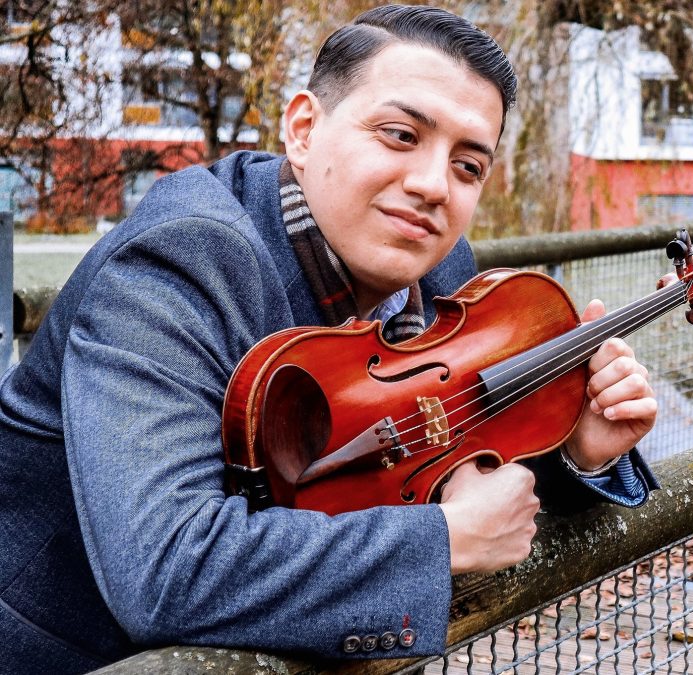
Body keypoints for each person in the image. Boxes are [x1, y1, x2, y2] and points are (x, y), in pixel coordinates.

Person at [0, 5, 659, 673]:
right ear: (305, 129)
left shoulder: (445, 270)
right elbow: (170, 565)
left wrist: (579, 451)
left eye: (468, 166)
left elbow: (456, 456)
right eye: (401, 134)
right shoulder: (180, 261)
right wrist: (443, 540)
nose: (433, 185)